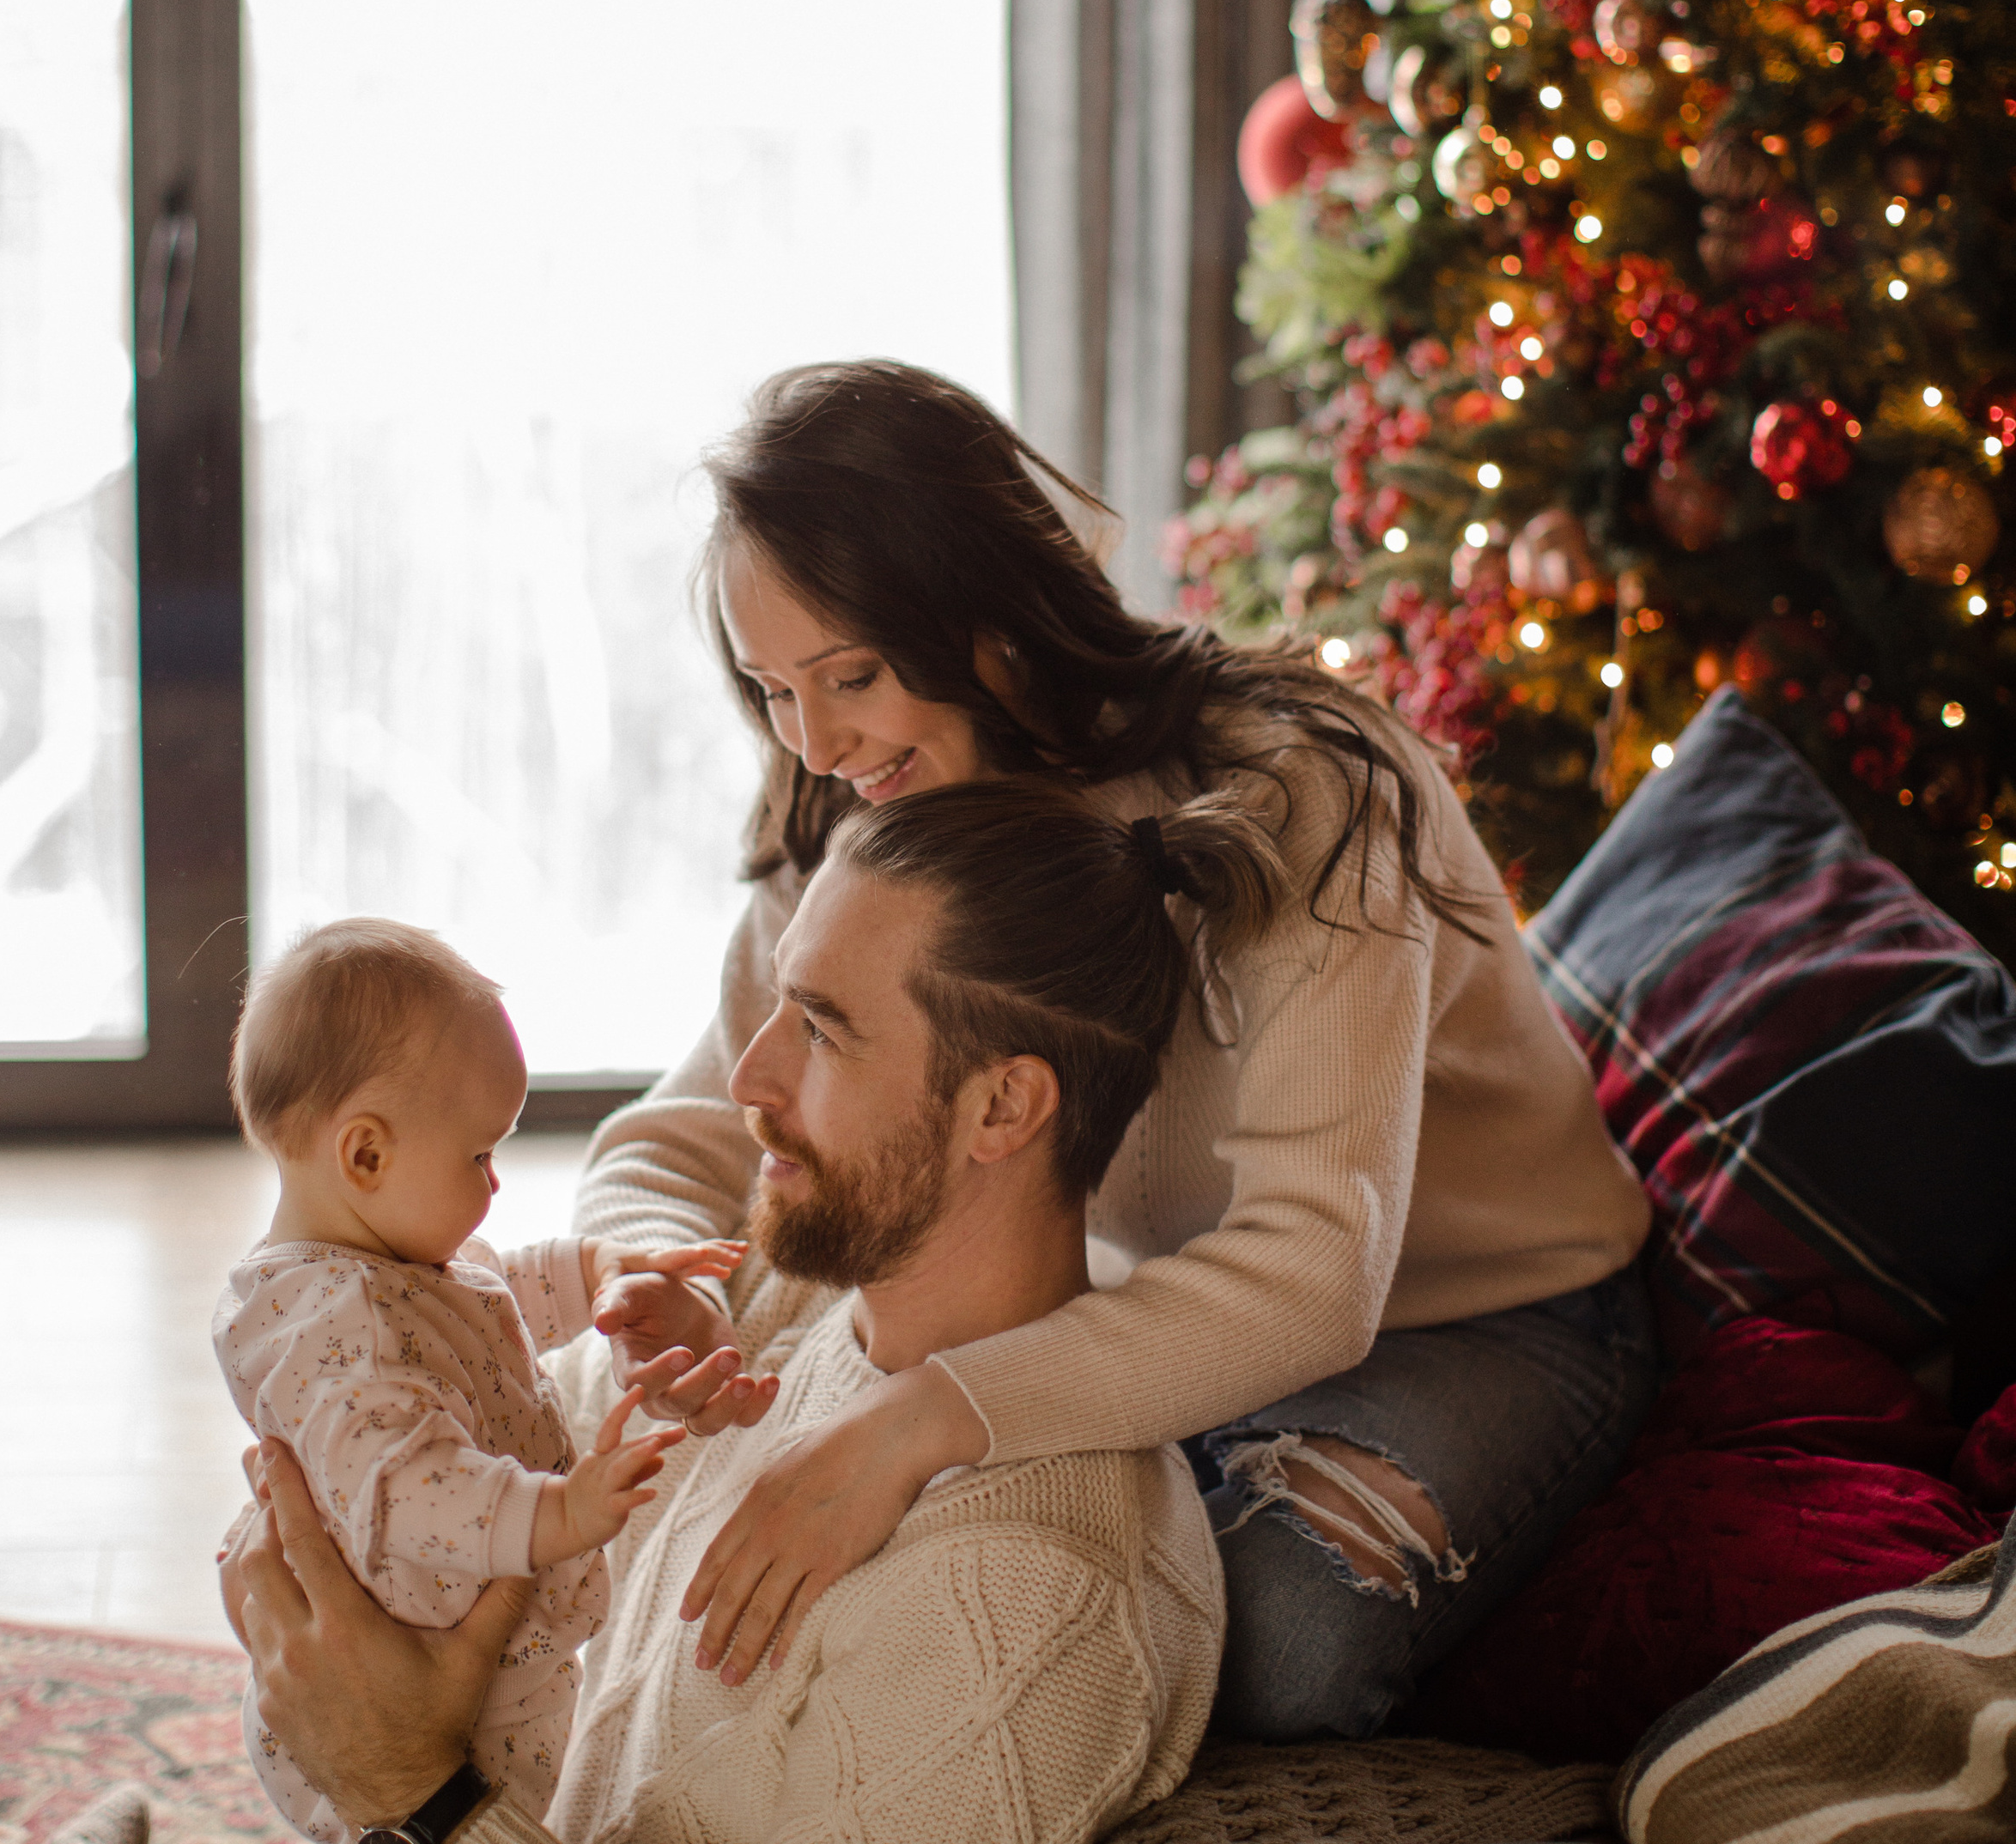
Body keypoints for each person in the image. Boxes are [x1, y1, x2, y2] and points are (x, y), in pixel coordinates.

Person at [0, 784, 1230, 1844]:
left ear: (1006, 1102)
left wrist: (423, 1800)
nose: (747, 1076)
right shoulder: (819, 1310)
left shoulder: (1034, 1586)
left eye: (820, 1028)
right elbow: (477, 1392)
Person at [583, 359, 1658, 1740]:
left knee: (1269, 1648)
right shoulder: (862, 803)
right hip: (1142, 1315)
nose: (819, 740)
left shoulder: (1302, 790)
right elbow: (685, 1134)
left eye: (851, 674)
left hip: (1479, 1318)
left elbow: (1317, 1276)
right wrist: (644, 1272)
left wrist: (921, 1422)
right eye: (772, 688)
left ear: (993, 616)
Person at [213, 919, 748, 1844]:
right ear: (366, 1153)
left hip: (471, 1687)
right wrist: (557, 1512)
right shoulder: (324, 1330)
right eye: (485, 1153)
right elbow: (407, 1491)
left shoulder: (391, 1260)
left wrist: (613, 1275)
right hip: (403, 1705)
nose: (500, 1183)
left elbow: (496, 1292)